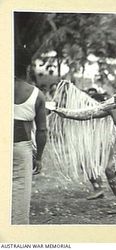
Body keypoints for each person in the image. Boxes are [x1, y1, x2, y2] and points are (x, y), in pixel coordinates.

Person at [54, 82, 116, 204]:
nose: (114, 96)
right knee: (109, 171)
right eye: (114, 93)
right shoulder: (112, 109)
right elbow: (89, 114)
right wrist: (66, 113)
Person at [13, 64, 47, 224]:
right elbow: (42, 130)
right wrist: (38, 157)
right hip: (20, 147)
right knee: (20, 193)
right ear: (27, 68)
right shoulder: (36, 94)